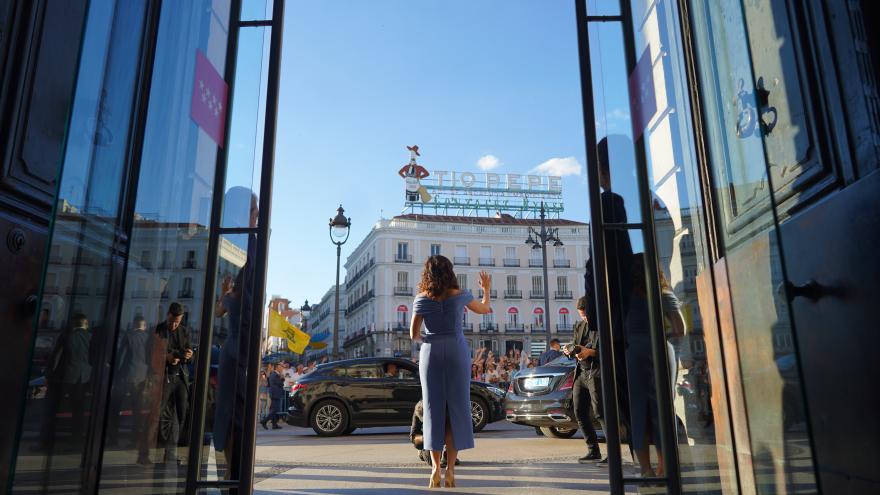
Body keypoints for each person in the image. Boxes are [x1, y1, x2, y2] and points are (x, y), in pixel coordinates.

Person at [411, 257, 492, 488]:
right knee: (456, 410)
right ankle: (451, 471)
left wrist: (429, 340)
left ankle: (435, 468)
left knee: (433, 410)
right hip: (456, 352)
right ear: (450, 272)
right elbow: (485, 309)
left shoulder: (421, 299)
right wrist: (486, 289)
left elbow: (413, 335)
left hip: (431, 354)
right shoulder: (461, 295)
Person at [623, 254, 686, 477]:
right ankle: (664, 467)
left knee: (637, 411)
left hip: (633, 353)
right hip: (659, 349)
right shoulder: (664, 294)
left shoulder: (627, 297)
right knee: (662, 409)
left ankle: (645, 469)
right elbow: (680, 329)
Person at [212, 186, 258, 478]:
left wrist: (226, 296)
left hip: (237, 343)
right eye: (254, 210)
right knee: (235, 414)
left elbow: (221, 307)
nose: (258, 215)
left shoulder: (232, 241)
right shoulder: (248, 245)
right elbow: (233, 301)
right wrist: (230, 296)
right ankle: (233, 475)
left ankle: (231, 474)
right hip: (239, 343)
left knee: (232, 413)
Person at [563, 296, 606, 464]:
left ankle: (612, 453)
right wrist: (569, 351)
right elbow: (575, 345)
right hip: (581, 372)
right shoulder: (580, 326)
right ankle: (593, 450)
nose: (584, 318)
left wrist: (590, 352)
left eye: (586, 315)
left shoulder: (602, 324)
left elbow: (609, 349)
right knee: (579, 411)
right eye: (581, 315)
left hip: (597, 372)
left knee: (601, 413)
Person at [41, 313, 94, 448]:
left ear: (73, 324)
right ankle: (76, 441)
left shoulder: (66, 336)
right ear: (85, 324)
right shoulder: (91, 337)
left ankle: (46, 441)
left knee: (51, 410)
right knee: (78, 412)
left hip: (64, 378)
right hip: (82, 379)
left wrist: (48, 375)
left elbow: (56, 356)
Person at [156, 302, 192, 463]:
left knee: (180, 414)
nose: (174, 325)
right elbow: (152, 354)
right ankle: (152, 450)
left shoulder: (184, 332)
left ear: (181, 318)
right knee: (160, 413)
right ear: (168, 315)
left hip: (181, 377)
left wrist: (189, 355)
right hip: (164, 376)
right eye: (172, 321)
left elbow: (189, 351)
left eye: (177, 322)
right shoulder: (159, 330)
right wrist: (167, 357)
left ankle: (170, 452)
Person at [108, 316, 152, 444]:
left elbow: (121, 356)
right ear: (144, 326)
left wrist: (116, 374)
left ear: (134, 324)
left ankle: (113, 438)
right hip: (141, 377)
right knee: (137, 409)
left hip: (125, 376)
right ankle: (134, 439)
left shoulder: (128, 336)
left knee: (115, 408)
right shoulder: (149, 338)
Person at [261, 363, 285, 430]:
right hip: (275, 394)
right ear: (277, 368)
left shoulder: (274, 374)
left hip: (274, 394)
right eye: (281, 367)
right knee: (275, 409)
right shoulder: (275, 375)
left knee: (273, 409)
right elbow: (280, 384)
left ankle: (274, 425)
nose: (282, 368)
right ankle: (264, 421)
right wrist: (282, 379)